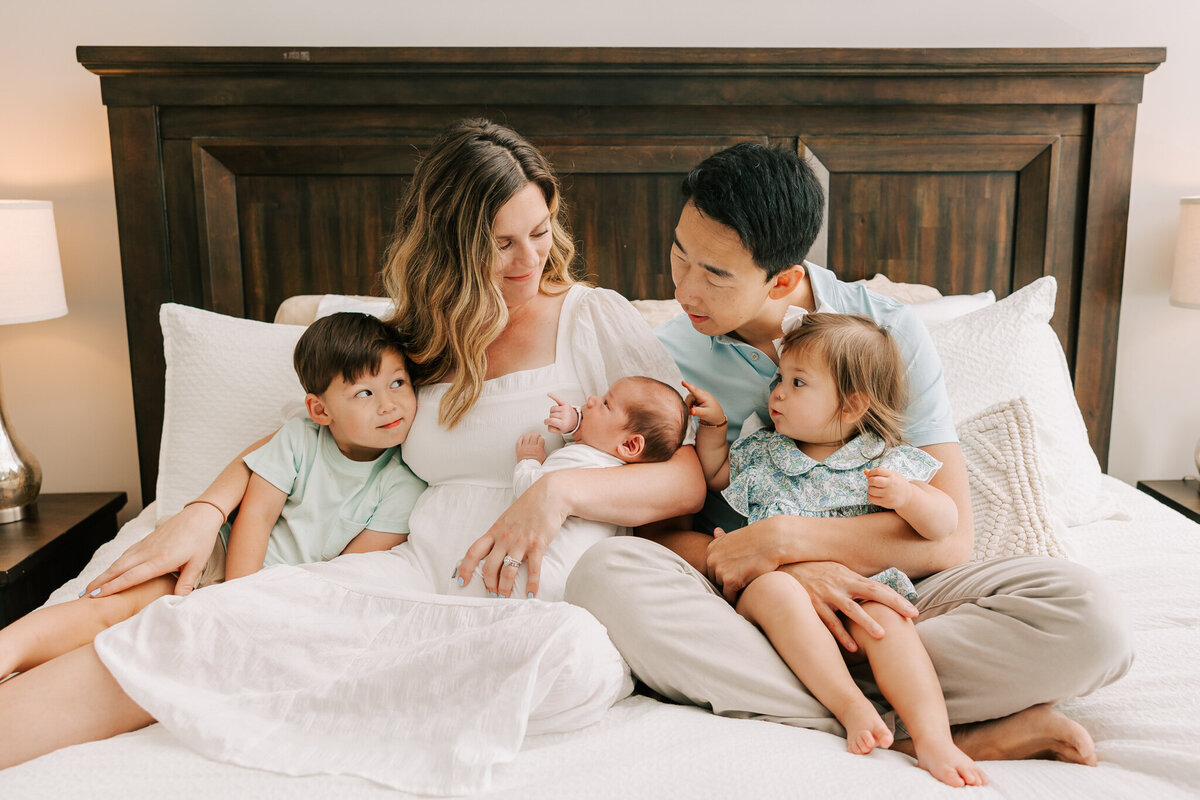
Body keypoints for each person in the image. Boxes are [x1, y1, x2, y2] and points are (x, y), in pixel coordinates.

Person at [0, 118, 705, 769]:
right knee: (222, 617)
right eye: (501, 242)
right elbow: (304, 426)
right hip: (408, 575)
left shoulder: (591, 319)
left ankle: (342, 678)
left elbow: (687, 477)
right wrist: (205, 510)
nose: (530, 259)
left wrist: (559, 489)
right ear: (452, 247)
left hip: (534, 602)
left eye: (541, 231)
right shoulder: (416, 337)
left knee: (572, 655)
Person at [565, 142, 1133, 765]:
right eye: (679, 256)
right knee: (605, 573)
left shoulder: (885, 332)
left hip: (900, 599)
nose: (684, 289)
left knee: (1090, 618)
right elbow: (663, 535)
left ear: (781, 278)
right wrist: (779, 573)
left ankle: (854, 702)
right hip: (754, 606)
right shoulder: (667, 353)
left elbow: (949, 539)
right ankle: (918, 722)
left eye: (715, 274)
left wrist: (789, 541)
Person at [0, 311, 425, 679]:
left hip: (292, 593)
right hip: (226, 556)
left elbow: (349, 573)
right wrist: (236, 599)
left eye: (398, 383)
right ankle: (10, 649)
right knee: (116, 609)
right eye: (364, 393)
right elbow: (255, 516)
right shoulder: (300, 439)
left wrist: (269, 611)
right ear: (320, 410)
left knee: (147, 646)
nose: (389, 405)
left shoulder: (403, 485)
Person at [688, 311, 983, 787]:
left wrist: (909, 498)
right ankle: (851, 705)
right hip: (778, 585)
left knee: (886, 620)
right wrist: (715, 429)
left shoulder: (883, 459)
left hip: (859, 588)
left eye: (798, 383)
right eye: (779, 379)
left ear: (851, 405)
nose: (777, 393)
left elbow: (945, 522)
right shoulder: (765, 451)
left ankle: (934, 738)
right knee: (775, 591)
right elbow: (715, 475)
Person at [502, 377, 689, 594]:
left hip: (541, 572)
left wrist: (529, 461)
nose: (591, 400)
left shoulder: (578, 460)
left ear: (630, 444)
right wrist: (573, 425)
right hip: (581, 581)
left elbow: (532, 493)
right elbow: (594, 438)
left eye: (606, 404)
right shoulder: (619, 476)